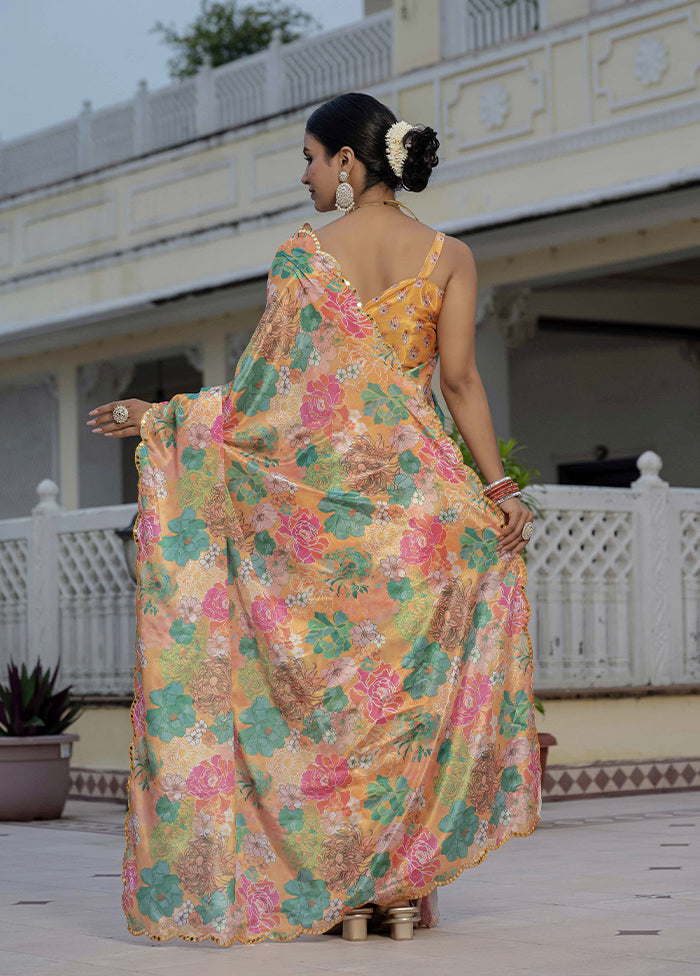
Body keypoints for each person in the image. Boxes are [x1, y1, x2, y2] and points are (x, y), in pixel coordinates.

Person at [88, 92, 540, 947]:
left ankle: (340, 893)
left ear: (347, 161)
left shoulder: (303, 259)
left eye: (308, 156)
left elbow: (266, 404)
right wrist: (500, 493)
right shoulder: (450, 254)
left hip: (323, 523)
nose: (303, 174)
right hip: (418, 520)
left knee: (329, 713)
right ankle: (396, 894)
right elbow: (461, 383)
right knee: (400, 709)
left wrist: (163, 418)